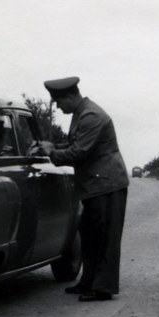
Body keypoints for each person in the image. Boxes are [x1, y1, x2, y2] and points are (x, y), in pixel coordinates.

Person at [36, 76, 129, 302]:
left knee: (105, 238)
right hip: (96, 184)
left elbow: (78, 153)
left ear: (70, 96)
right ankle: (88, 282)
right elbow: (76, 145)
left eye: (59, 102)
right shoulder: (82, 112)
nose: (58, 107)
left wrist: (50, 153)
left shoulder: (91, 116)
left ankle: (103, 288)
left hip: (106, 184)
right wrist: (53, 147)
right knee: (90, 236)